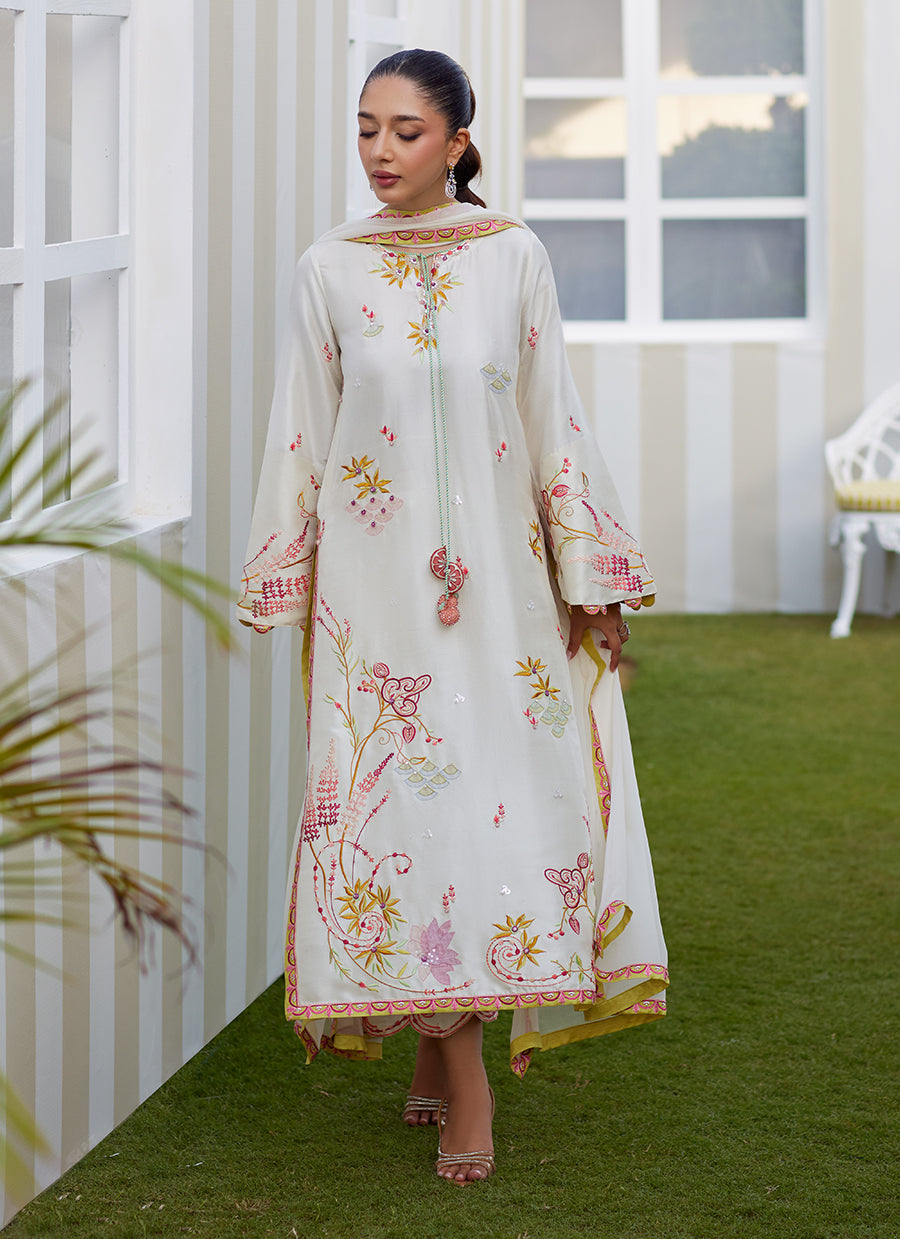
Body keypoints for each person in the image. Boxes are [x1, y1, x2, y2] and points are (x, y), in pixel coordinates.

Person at [236, 49, 667, 1185]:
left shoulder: (513, 255)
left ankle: (444, 1052)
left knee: (497, 806)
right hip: (374, 597)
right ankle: (461, 1067)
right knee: (403, 806)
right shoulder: (328, 269)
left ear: (459, 143)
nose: (380, 152)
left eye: (407, 131)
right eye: (366, 129)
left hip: (504, 590)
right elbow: (300, 430)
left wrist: (589, 577)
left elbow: (551, 414)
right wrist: (283, 572)